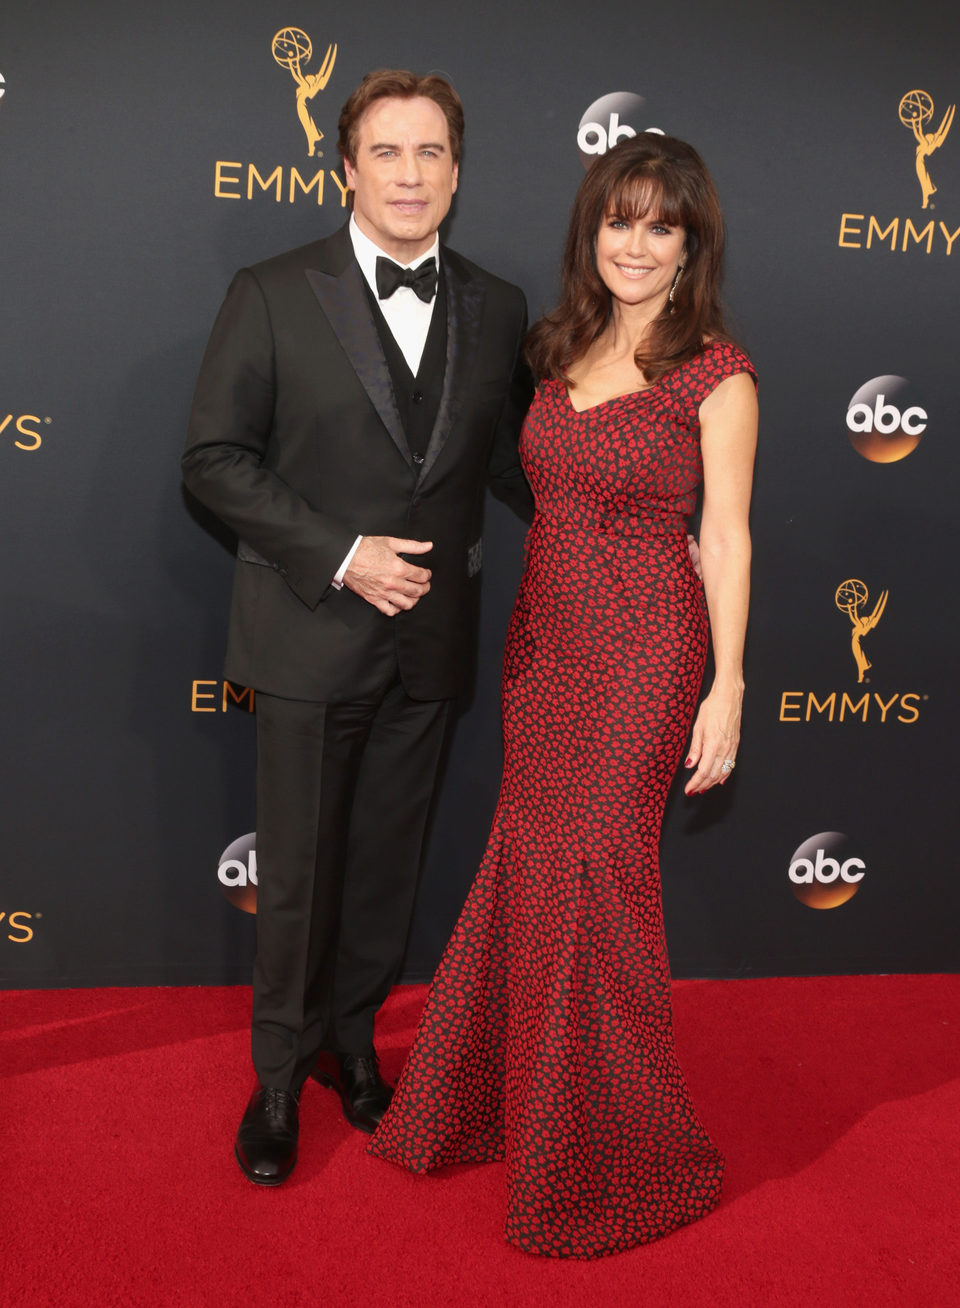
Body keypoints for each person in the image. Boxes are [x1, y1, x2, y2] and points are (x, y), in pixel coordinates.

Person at [369, 133, 758, 1259]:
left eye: (659, 225)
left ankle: (613, 1152)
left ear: (691, 245)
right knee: (531, 866)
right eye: (617, 220)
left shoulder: (716, 373)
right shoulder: (560, 344)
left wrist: (727, 685)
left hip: (645, 649)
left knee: (597, 879)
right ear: (592, 231)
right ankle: (502, 1104)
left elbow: (724, 540)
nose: (634, 244)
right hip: (543, 643)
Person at [181, 69, 534, 1186]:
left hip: (430, 650)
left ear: (459, 172)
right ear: (347, 168)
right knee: (295, 875)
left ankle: (351, 1042)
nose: (412, 174)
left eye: (432, 153)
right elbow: (213, 462)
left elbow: (516, 467)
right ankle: (278, 1079)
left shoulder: (500, 305)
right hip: (306, 635)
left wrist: (636, 520)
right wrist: (339, 553)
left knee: (385, 869)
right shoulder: (274, 291)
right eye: (388, 152)